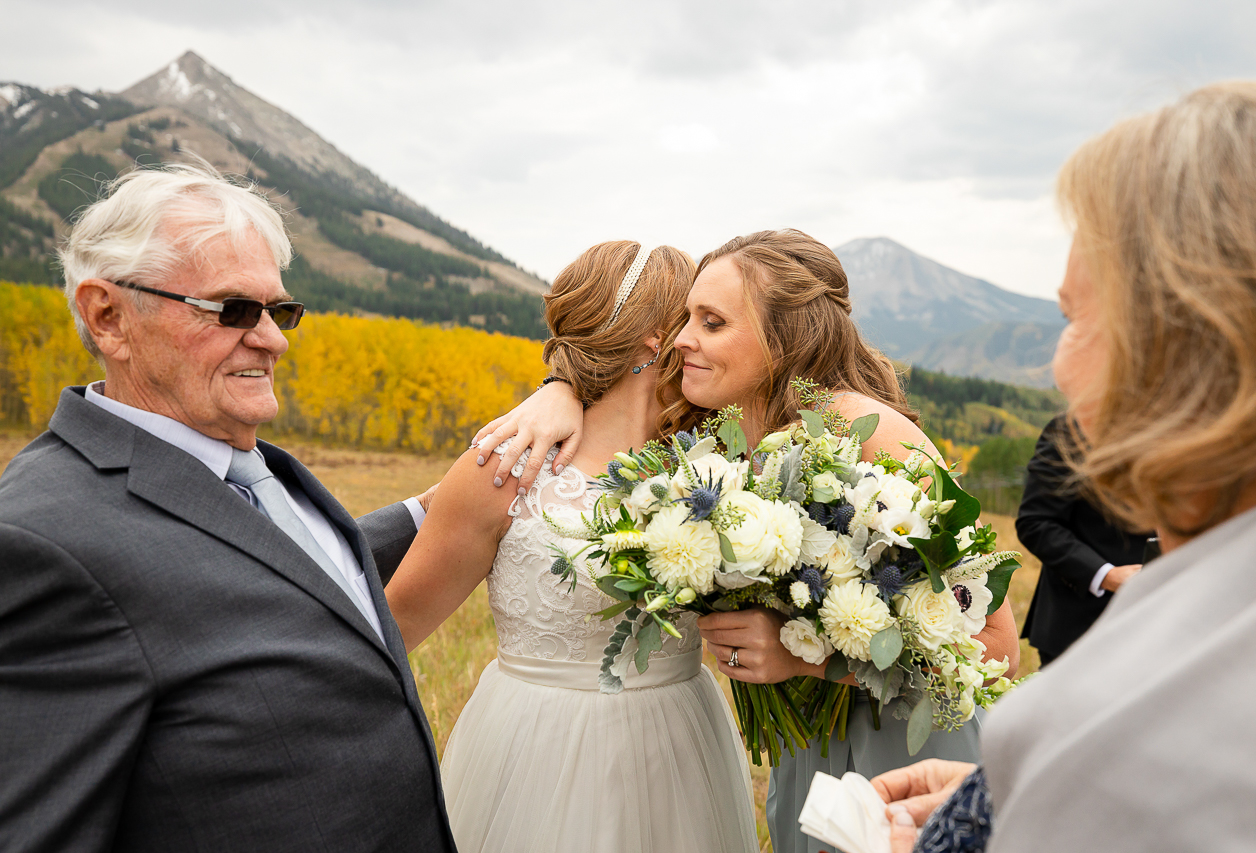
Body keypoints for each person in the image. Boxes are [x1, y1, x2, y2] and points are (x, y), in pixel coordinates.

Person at [472, 229, 1019, 853]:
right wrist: (557, 392)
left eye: (712, 322)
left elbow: (999, 648)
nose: (683, 339)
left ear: (784, 338)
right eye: (685, 319)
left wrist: (808, 657)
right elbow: (619, 384)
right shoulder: (726, 448)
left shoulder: (872, 433)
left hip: (907, 759)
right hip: (808, 752)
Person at [872, 81, 1256, 853]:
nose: (1058, 369)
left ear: (1186, 355)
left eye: (1073, 318)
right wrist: (997, 801)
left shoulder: (1149, 736)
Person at [0, 163, 455, 852]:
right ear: (109, 316)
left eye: (281, 311)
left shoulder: (253, 467)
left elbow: (278, 574)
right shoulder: (40, 538)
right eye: (233, 310)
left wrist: (436, 506)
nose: (273, 339)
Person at [384, 241, 758, 853]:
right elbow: (391, 633)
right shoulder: (505, 468)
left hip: (683, 743)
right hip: (536, 749)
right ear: (652, 338)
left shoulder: (718, 467)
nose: (701, 336)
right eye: (693, 318)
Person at [1016, 413, 1152, 664]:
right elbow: (1036, 523)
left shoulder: (1187, 431)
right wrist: (1107, 576)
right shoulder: (1072, 430)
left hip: (1159, 626)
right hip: (1078, 628)